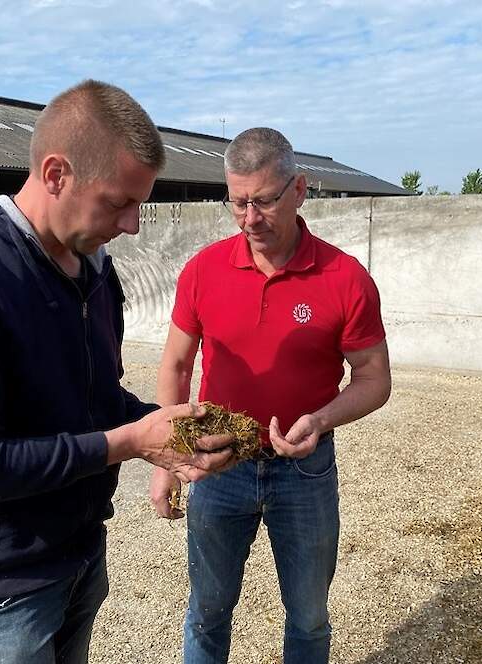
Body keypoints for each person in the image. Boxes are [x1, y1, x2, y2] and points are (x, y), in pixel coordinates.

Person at [0, 79, 234, 664]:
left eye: (138, 205)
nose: (132, 226)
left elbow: (95, 399)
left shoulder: (94, 270)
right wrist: (131, 442)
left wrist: (166, 431)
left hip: (77, 554)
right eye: (119, 202)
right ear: (55, 174)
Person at [149, 127, 392, 664]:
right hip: (217, 462)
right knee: (207, 612)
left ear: (300, 189)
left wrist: (322, 419)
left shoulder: (345, 278)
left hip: (304, 473)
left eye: (263, 201)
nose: (249, 219)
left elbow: (375, 377)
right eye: (236, 203)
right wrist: (168, 458)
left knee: (308, 618)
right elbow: (176, 363)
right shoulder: (203, 271)